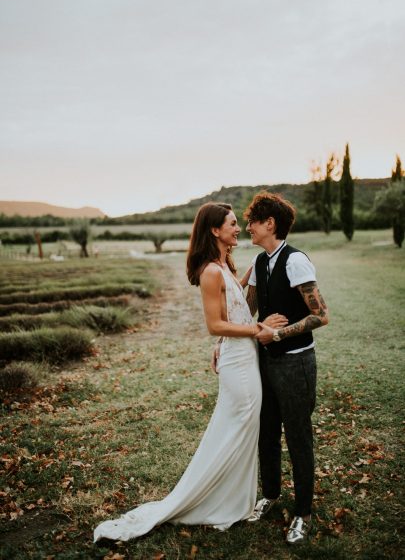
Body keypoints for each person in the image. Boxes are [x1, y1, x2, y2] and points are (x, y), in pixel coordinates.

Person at [93, 202, 286, 542]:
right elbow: (215, 324)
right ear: (215, 230)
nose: (238, 228)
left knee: (239, 430)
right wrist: (257, 329)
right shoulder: (210, 271)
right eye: (231, 224)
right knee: (238, 429)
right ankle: (216, 501)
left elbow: (235, 308)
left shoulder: (225, 264)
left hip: (241, 356)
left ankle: (233, 501)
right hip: (239, 365)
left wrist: (230, 338)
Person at [242, 191, 329, 544]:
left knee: (297, 437)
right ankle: (272, 495)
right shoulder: (259, 262)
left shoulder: (296, 262)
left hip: (296, 364)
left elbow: (321, 315)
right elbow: (245, 311)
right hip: (264, 363)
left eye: (252, 221)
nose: (248, 227)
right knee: (266, 432)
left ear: (270, 224)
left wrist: (277, 333)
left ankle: (303, 512)